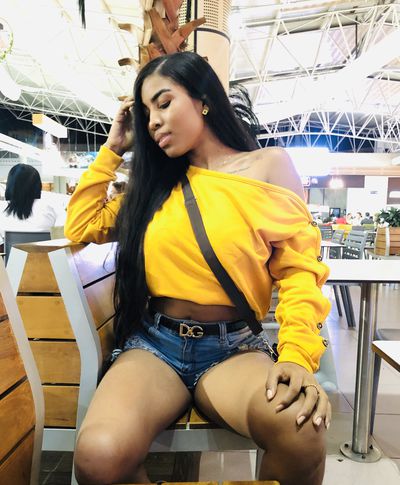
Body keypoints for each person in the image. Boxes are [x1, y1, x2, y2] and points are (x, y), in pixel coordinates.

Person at [65, 52, 331, 485]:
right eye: (146, 113)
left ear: (203, 99)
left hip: (234, 350)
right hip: (155, 347)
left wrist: (298, 355)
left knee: (301, 429)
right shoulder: (152, 188)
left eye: (164, 103)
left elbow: (300, 271)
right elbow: (81, 225)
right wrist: (113, 149)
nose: (153, 121)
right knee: (99, 457)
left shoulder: (268, 166)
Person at [0, 163, 58, 244]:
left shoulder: (2, 210)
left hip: (12, 252)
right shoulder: (48, 209)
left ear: (10, 184)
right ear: (37, 185)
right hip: (43, 252)